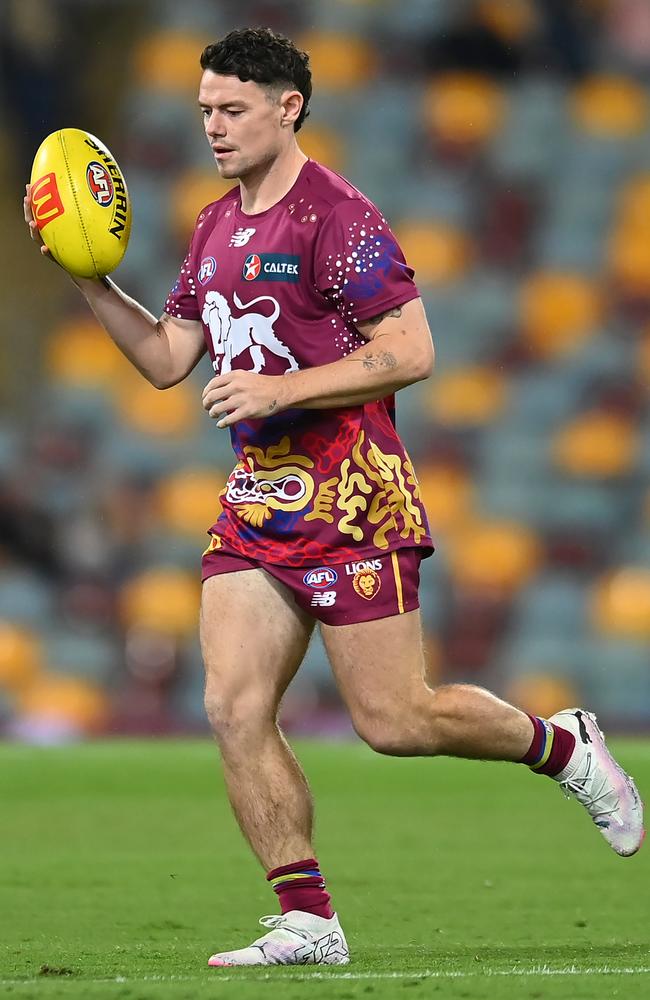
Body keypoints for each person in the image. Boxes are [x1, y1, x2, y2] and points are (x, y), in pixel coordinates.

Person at [25, 26, 644, 970]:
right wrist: (90, 280)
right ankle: (307, 918)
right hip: (257, 502)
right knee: (232, 705)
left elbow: (413, 349)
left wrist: (281, 389)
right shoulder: (214, 225)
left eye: (232, 109)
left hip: (354, 496)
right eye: (203, 111)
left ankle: (561, 748)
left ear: (288, 106)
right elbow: (165, 361)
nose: (215, 128)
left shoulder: (336, 217)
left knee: (395, 722)